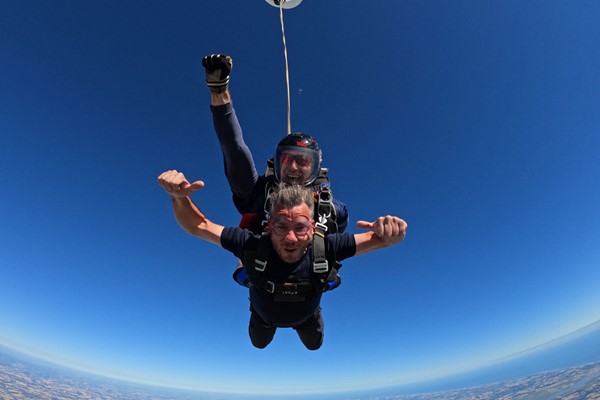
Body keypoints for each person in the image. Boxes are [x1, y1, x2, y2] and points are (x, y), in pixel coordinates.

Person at [157, 169, 407, 350]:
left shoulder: (327, 247)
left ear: (312, 226)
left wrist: (392, 230)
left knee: (314, 345)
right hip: (263, 317)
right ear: (267, 226)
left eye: (299, 226)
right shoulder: (252, 245)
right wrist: (179, 197)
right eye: (280, 225)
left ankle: (308, 316)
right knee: (259, 344)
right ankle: (271, 318)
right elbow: (198, 226)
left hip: (306, 316)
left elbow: (386, 239)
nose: (290, 237)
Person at [201, 54, 349, 235]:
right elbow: (233, 147)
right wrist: (219, 89)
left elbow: (341, 229)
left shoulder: (330, 208)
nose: (293, 167)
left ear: (315, 169)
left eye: (302, 161)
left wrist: (387, 232)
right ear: (277, 164)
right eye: (287, 159)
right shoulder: (258, 193)